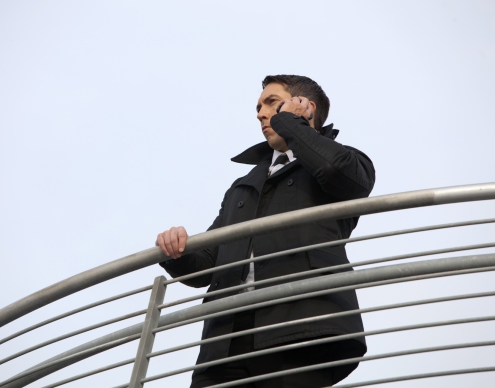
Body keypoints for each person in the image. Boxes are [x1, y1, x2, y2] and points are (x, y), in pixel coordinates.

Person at [156, 75, 376, 388]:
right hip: (225, 342)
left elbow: (336, 172)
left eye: (272, 103)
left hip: (301, 330)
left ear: (305, 107)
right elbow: (208, 264)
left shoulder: (345, 159)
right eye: (259, 107)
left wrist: (293, 125)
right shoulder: (244, 185)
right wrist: (175, 250)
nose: (260, 113)